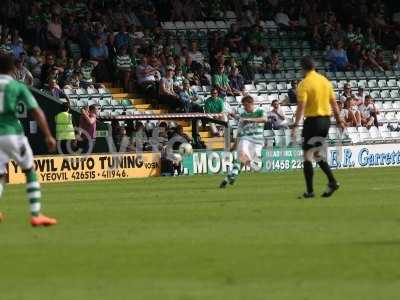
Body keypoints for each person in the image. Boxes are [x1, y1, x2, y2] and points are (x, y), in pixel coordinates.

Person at [0, 54, 57, 226]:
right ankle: (36, 214)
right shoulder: (17, 86)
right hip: (12, 133)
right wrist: (47, 135)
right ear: (12, 69)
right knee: (29, 169)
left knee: (0, 175)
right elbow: (37, 111)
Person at [292, 56, 345, 199]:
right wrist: (339, 121)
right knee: (316, 154)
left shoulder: (304, 83)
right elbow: (334, 104)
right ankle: (332, 181)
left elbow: (301, 107)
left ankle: (310, 191)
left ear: (303, 68)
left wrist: (296, 125)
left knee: (307, 155)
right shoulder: (325, 81)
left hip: (313, 121)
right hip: (325, 121)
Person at [220, 95, 267, 188]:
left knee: (253, 165)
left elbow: (264, 119)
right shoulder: (243, 115)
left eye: (246, 105)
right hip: (246, 138)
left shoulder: (260, 111)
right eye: (244, 106)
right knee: (242, 156)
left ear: (251, 103)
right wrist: (234, 145)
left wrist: (249, 120)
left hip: (258, 141)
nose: (245, 108)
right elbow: (239, 131)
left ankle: (229, 176)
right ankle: (231, 176)